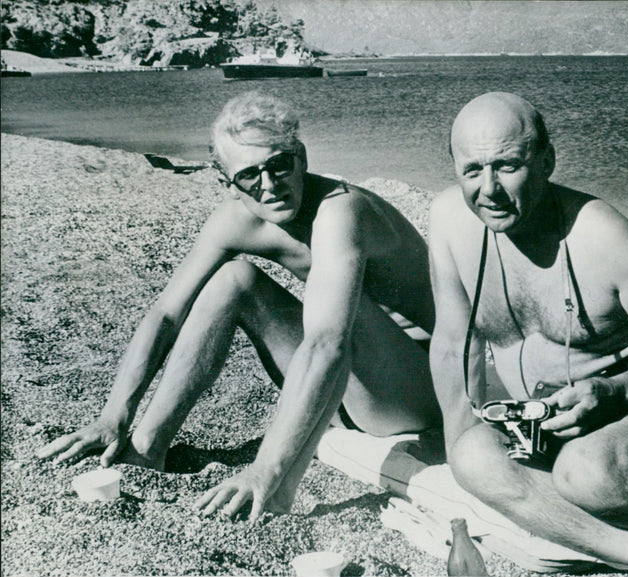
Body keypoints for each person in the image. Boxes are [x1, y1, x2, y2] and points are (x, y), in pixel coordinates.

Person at [37, 90, 441, 522]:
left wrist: (267, 470)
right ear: (225, 181)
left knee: (342, 305)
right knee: (233, 279)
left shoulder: (341, 211)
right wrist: (113, 415)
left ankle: (277, 479)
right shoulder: (235, 219)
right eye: (249, 176)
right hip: (342, 392)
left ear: (300, 157)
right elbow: (166, 314)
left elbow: (327, 344)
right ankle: (147, 449)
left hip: (413, 394)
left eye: (280, 165)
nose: (269, 186)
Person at [428, 92, 628, 576]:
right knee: (472, 457)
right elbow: (453, 341)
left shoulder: (601, 235)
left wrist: (616, 391)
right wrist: (464, 463)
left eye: (507, 166)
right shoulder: (448, 222)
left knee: (585, 470)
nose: (489, 191)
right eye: (472, 171)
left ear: (546, 161)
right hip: (549, 425)